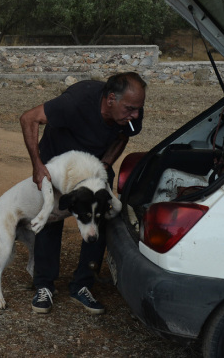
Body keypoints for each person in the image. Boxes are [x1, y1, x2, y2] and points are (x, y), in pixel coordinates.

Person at [20, 71, 145, 314]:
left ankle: (82, 284)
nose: (136, 115)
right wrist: (38, 165)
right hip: (60, 165)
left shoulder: (130, 113)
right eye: (130, 108)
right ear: (111, 99)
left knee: (102, 218)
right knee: (51, 216)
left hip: (92, 167)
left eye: (138, 109)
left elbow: (123, 136)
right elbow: (29, 118)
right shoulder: (77, 101)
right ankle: (44, 284)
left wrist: (106, 165)